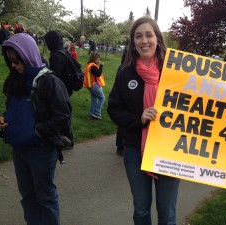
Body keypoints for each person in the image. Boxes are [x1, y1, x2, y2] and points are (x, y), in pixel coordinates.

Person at [107, 17, 180, 225]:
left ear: (158, 39)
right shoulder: (125, 72)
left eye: (149, 35)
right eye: (138, 36)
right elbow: (114, 108)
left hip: (170, 150)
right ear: (133, 42)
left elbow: (206, 99)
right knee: (140, 211)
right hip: (135, 150)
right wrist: (138, 118)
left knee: (167, 215)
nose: (144, 41)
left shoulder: (175, 70)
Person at [0, 33, 71, 225]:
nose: (13, 65)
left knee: (45, 197)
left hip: (41, 150)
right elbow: (16, 109)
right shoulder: (17, 79)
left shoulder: (49, 81)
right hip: (19, 149)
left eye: (16, 60)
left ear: (28, 54)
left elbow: (63, 116)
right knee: (28, 196)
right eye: (10, 61)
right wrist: (5, 119)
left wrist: (37, 130)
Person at [44, 30, 74, 148]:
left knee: (62, 115)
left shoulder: (56, 56)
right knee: (65, 113)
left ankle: (66, 140)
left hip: (60, 88)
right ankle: (67, 139)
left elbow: (55, 75)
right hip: (66, 87)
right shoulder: (64, 52)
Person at [83, 52, 105, 120]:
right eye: (98, 58)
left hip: (89, 85)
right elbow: (98, 74)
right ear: (95, 58)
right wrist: (101, 66)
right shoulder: (93, 66)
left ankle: (91, 114)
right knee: (102, 98)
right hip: (94, 85)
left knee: (94, 99)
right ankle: (97, 113)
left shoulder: (89, 64)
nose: (99, 60)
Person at [115, 48, 127, 156]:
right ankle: (121, 146)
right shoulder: (125, 68)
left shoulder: (121, 66)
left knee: (122, 124)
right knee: (124, 124)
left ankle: (120, 145)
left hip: (121, 98)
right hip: (124, 99)